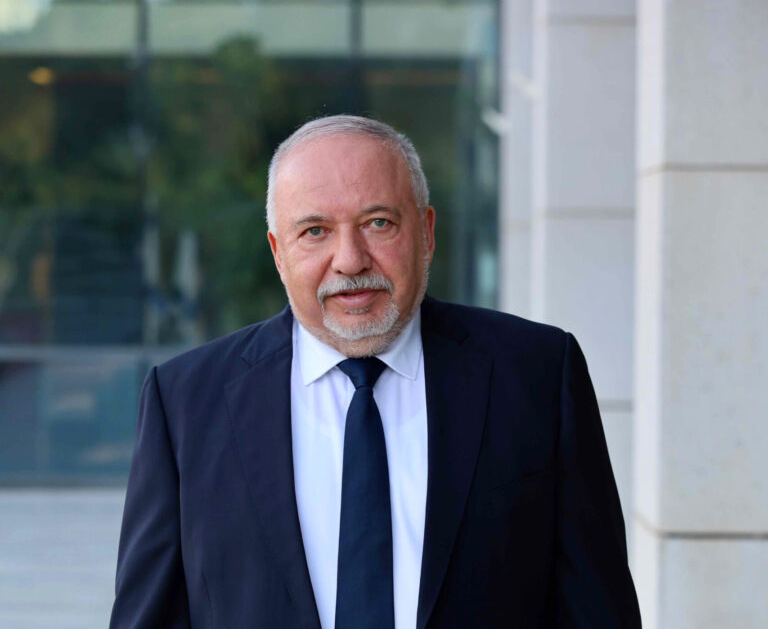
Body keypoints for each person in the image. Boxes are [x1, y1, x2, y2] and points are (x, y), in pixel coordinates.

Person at [110, 115, 641, 628]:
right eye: (315, 231)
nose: (350, 260)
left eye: (378, 223)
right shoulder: (184, 403)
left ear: (426, 232)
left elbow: (597, 610)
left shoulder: (538, 374)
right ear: (278, 253)